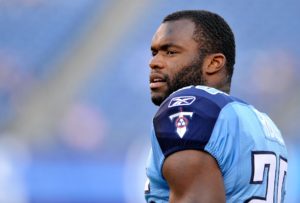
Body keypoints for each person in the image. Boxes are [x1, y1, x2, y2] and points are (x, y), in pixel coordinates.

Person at [145, 10, 288, 203]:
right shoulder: (260, 121)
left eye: (170, 52)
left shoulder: (191, 107)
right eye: (155, 53)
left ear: (214, 63)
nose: (154, 63)